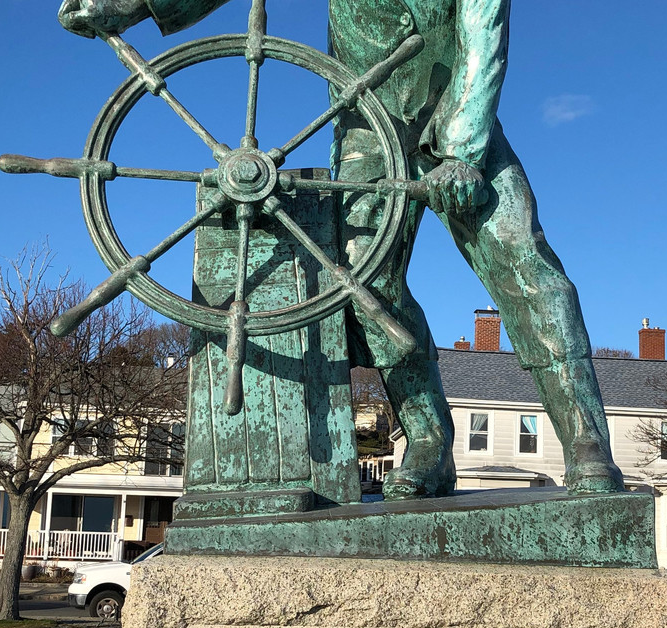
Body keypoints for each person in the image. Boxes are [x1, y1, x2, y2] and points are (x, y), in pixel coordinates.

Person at [58, 0, 625, 498]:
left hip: (455, 117)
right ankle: (428, 441)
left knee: (528, 268)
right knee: (365, 283)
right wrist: (130, 4)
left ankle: (586, 443)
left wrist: (465, 147)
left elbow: (483, 25)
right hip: (366, 127)